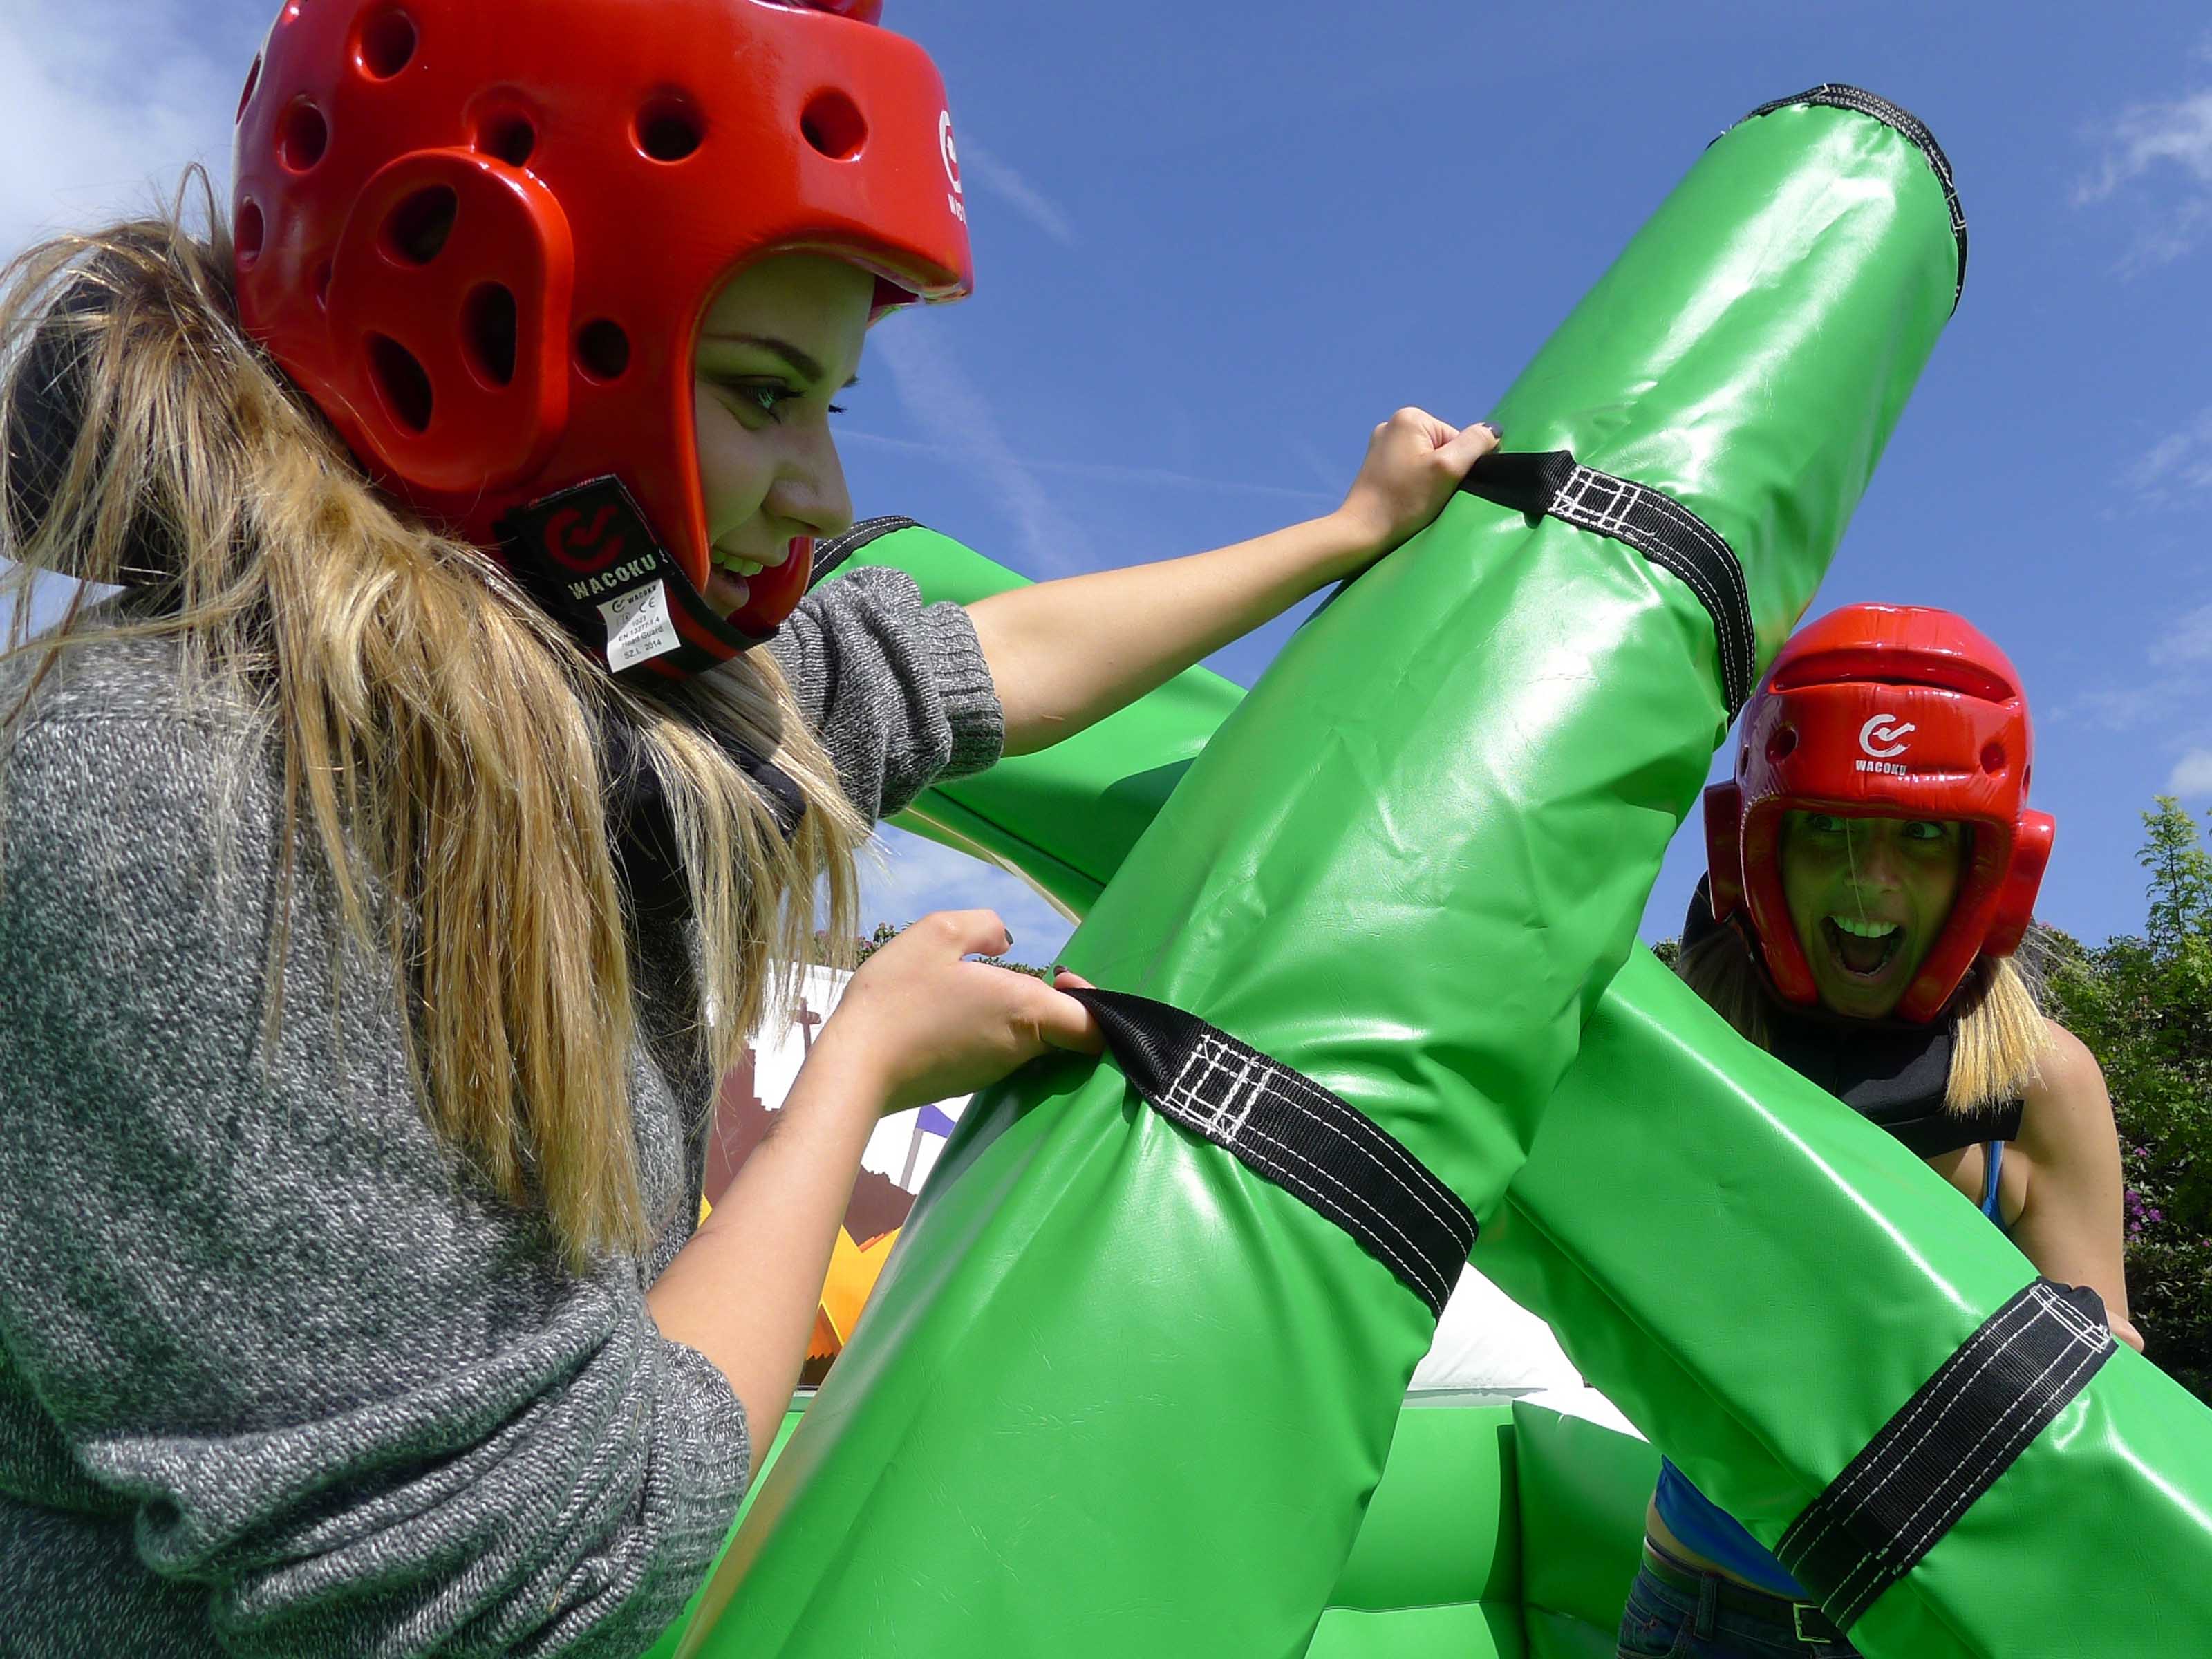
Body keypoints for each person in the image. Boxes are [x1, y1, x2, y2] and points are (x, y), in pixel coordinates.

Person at [0, 1, 1499, 1651]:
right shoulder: (199, 811)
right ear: (485, 323)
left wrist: (1338, 535)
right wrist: (849, 1080)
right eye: (766, 391)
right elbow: (529, 1592)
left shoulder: (574, 663)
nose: (826, 498)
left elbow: (950, 672)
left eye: (834, 408)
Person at [1615, 603, 2141, 1659]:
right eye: (1828, 829)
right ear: (1758, 845)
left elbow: (2108, 1397)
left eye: (1922, 833)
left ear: (1988, 868)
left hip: (1932, 1630)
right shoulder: (1684, 1044)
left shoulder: (2043, 1084)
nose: (1872, 882)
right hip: (1705, 1613)